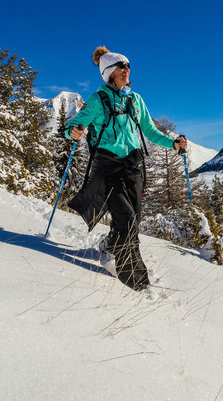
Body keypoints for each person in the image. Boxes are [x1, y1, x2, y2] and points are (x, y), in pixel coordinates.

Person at [62, 46, 188, 291]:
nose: (127, 70)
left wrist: (173, 143)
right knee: (127, 218)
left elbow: (150, 132)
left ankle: (110, 245)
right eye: (122, 66)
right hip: (108, 166)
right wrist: (73, 132)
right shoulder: (98, 100)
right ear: (110, 72)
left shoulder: (135, 99)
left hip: (134, 164)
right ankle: (135, 280)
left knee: (134, 218)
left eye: (128, 66)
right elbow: (75, 125)